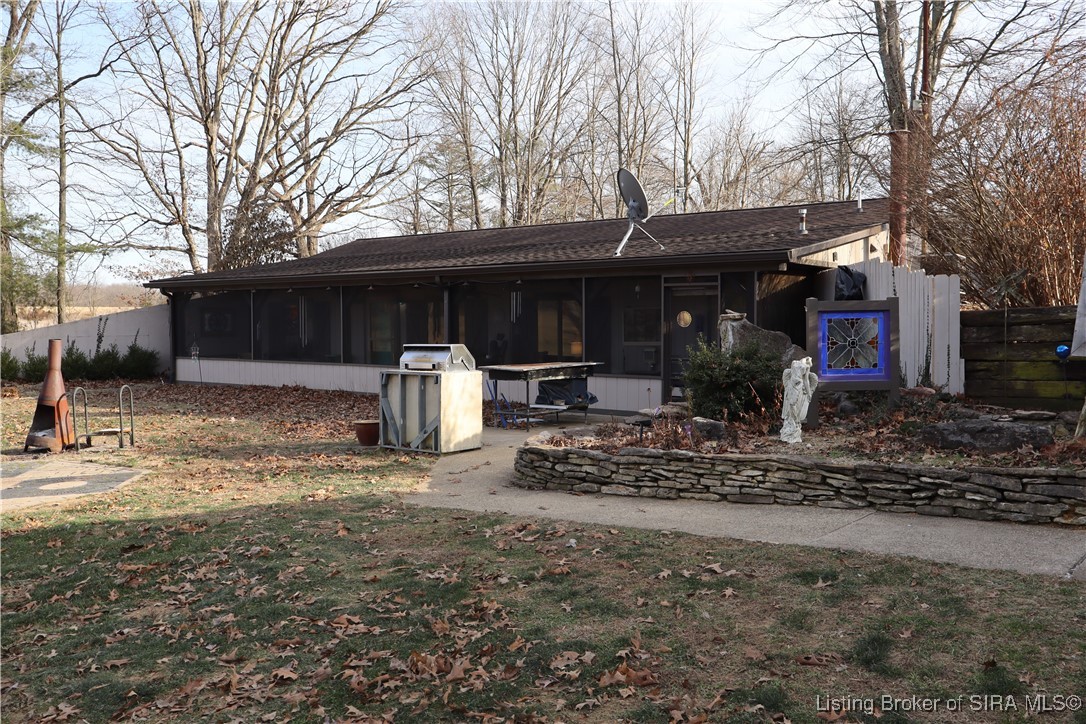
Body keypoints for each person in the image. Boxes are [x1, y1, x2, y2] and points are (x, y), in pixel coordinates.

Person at [781, 357, 818, 444]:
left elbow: (806, 380)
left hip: (800, 387)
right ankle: (789, 429)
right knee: (791, 405)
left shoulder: (807, 367)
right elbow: (790, 375)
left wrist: (809, 393)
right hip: (792, 386)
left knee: (797, 407)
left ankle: (795, 427)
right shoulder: (794, 363)